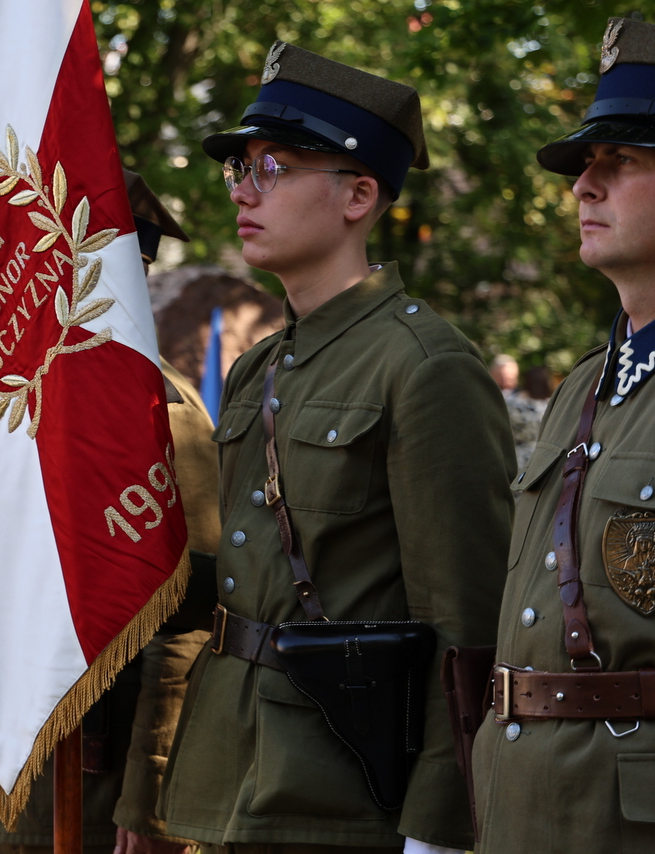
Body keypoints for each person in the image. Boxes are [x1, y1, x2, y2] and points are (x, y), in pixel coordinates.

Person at [156, 43, 514, 854]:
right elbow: (247, 580)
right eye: (240, 168)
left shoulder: (425, 368)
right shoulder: (259, 368)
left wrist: (438, 829)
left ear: (358, 194)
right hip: (229, 771)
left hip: (340, 788)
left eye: (273, 167)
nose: (244, 191)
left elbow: (463, 623)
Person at [0, 171, 219, 854]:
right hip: (5, 781)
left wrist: (150, 796)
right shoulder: (0, 394)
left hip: (96, 794)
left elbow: (185, 622)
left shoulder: (160, 410)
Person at [471, 17, 655, 852]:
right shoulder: (586, 382)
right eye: (587, 164)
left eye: (621, 162)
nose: (586, 185)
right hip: (524, 806)